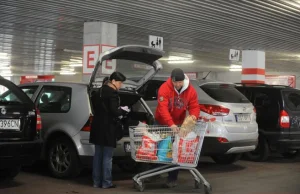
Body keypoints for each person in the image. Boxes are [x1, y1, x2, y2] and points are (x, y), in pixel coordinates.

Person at [155, 68, 200, 188]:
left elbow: (194, 106)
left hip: (178, 124)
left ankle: (172, 177)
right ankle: (154, 173)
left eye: (180, 82)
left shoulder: (190, 91)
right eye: (175, 82)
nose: (178, 84)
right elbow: (162, 108)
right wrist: (170, 124)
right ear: (171, 80)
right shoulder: (164, 88)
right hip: (162, 122)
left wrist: (193, 118)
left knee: (175, 152)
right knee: (157, 149)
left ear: (183, 80)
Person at [89, 71, 127, 189]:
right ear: (113, 81)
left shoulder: (97, 92)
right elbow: (114, 111)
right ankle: (106, 182)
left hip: (96, 126)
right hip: (108, 128)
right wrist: (124, 111)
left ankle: (96, 182)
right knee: (107, 156)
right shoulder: (113, 93)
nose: (121, 85)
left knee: (98, 156)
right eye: (120, 83)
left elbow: (95, 108)